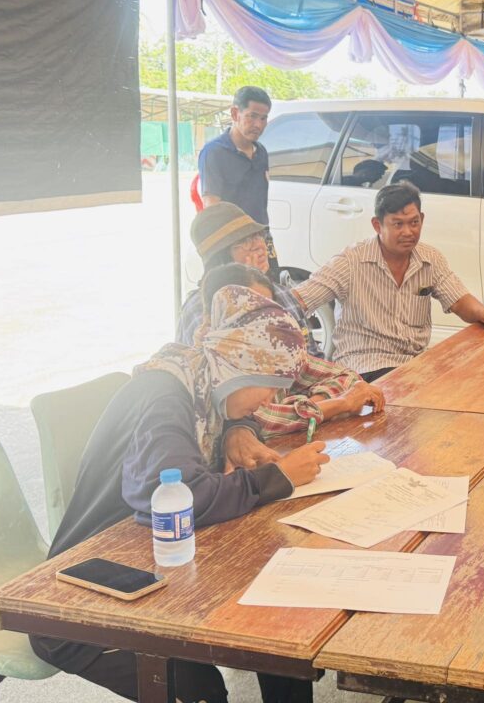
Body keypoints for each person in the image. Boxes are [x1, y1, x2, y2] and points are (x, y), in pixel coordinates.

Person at [31, 286, 330, 703]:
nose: (270, 399)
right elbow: (176, 496)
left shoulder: (203, 378)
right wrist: (277, 477)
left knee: (276, 627)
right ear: (239, 367)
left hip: (158, 566)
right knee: (200, 689)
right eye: (268, 386)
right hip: (87, 601)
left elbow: (218, 421)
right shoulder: (164, 394)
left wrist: (239, 430)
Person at [292, 181, 484, 382]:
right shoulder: (350, 262)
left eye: (414, 223)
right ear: (377, 225)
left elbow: (459, 300)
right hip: (363, 369)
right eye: (397, 224)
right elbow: (295, 302)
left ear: (422, 219)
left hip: (415, 366)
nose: (408, 232)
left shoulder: (430, 259)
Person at [196, 264, 385, 447]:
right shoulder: (209, 367)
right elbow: (262, 419)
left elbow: (345, 376)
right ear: (217, 316)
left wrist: (312, 404)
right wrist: (341, 403)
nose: (269, 321)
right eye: (254, 312)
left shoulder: (274, 350)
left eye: (271, 309)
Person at [178, 202, 322, 359]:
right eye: (244, 241)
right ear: (220, 258)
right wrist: (249, 294)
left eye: (258, 235)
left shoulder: (282, 293)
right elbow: (228, 364)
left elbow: (313, 356)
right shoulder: (202, 308)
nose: (259, 246)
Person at [198, 85, 279, 273]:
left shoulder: (261, 152)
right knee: (241, 288)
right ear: (235, 114)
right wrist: (233, 249)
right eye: (252, 116)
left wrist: (260, 239)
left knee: (270, 284)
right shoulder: (214, 152)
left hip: (261, 236)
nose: (258, 125)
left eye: (263, 118)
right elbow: (212, 207)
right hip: (234, 244)